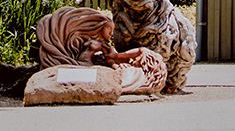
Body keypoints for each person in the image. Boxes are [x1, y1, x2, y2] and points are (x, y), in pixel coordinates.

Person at [37, 6, 167, 95]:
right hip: (90, 70)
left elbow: (117, 70)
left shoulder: (134, 72)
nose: (111, 35)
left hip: (90, 73)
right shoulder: (138, 68)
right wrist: (116, 57)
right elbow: (140, 51)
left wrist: (113, 60)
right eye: (109, 31)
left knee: (87, 68)